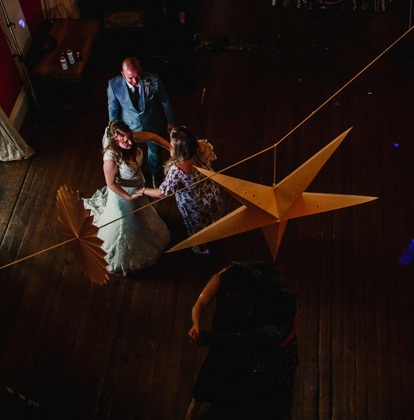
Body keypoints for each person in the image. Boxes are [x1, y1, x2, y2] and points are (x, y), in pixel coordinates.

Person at [186, 262, 298, 420]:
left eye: (233, 293)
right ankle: (194, 408)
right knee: (211, 369)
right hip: (223, 330)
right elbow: (200, 302)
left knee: (237, 373)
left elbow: (290, 306)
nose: (228, 296)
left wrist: (290, 333)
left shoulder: (260, 290)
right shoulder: (222, 278)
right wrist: (196, 324)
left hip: (243, 335)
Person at [82, 121, 170, 276]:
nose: (130, 142)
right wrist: (128, 197)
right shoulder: (111, 158)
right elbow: (110, 183)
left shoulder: (132, 139)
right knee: (128, 221)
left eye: (130, 138)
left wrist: (170, 147)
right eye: (125, 141)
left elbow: (153, 137)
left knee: (141, 214)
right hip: (124, 194)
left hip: (138, 186)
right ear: (115, 141)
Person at [142, 126, 226, 256]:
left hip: (193, 204)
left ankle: (203, 250)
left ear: (178, 149)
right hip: (211, 192)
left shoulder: (177, 170)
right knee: (213, 216)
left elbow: (162, 193)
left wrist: (143, 190)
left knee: (197, 227)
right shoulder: (204, 147)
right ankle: (217, 233)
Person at [107, 57, 175, 185]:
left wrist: (170, 121)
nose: (134, 81)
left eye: (137, 77)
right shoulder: (113, 85)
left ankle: (155, 173)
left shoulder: (153, 80)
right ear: (122, 74)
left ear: (141, 70)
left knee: (155, 152)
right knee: (129, 153)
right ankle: (135, 175)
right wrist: (115, 131)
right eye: (130, 78)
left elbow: (164, 100)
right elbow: (113, 109)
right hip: (129, 127)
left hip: (152, 123)